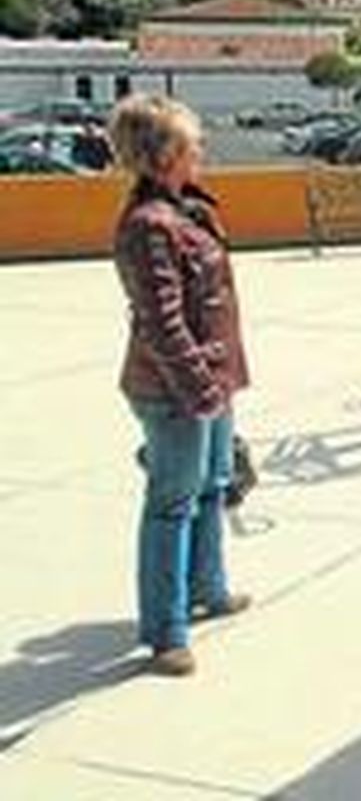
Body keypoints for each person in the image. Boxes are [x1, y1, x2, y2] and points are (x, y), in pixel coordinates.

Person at [109, 94, 251, 677]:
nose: (202, 149)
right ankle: (166, 631)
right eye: (192, 141)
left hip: (209, 379)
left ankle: (208, 589)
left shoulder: (185, 209)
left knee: (215, 485)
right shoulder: (149, 226)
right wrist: (199, 389)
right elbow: (163, 324)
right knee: (173, 502)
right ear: (165, 153)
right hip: (174, 388)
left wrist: (219, 385)